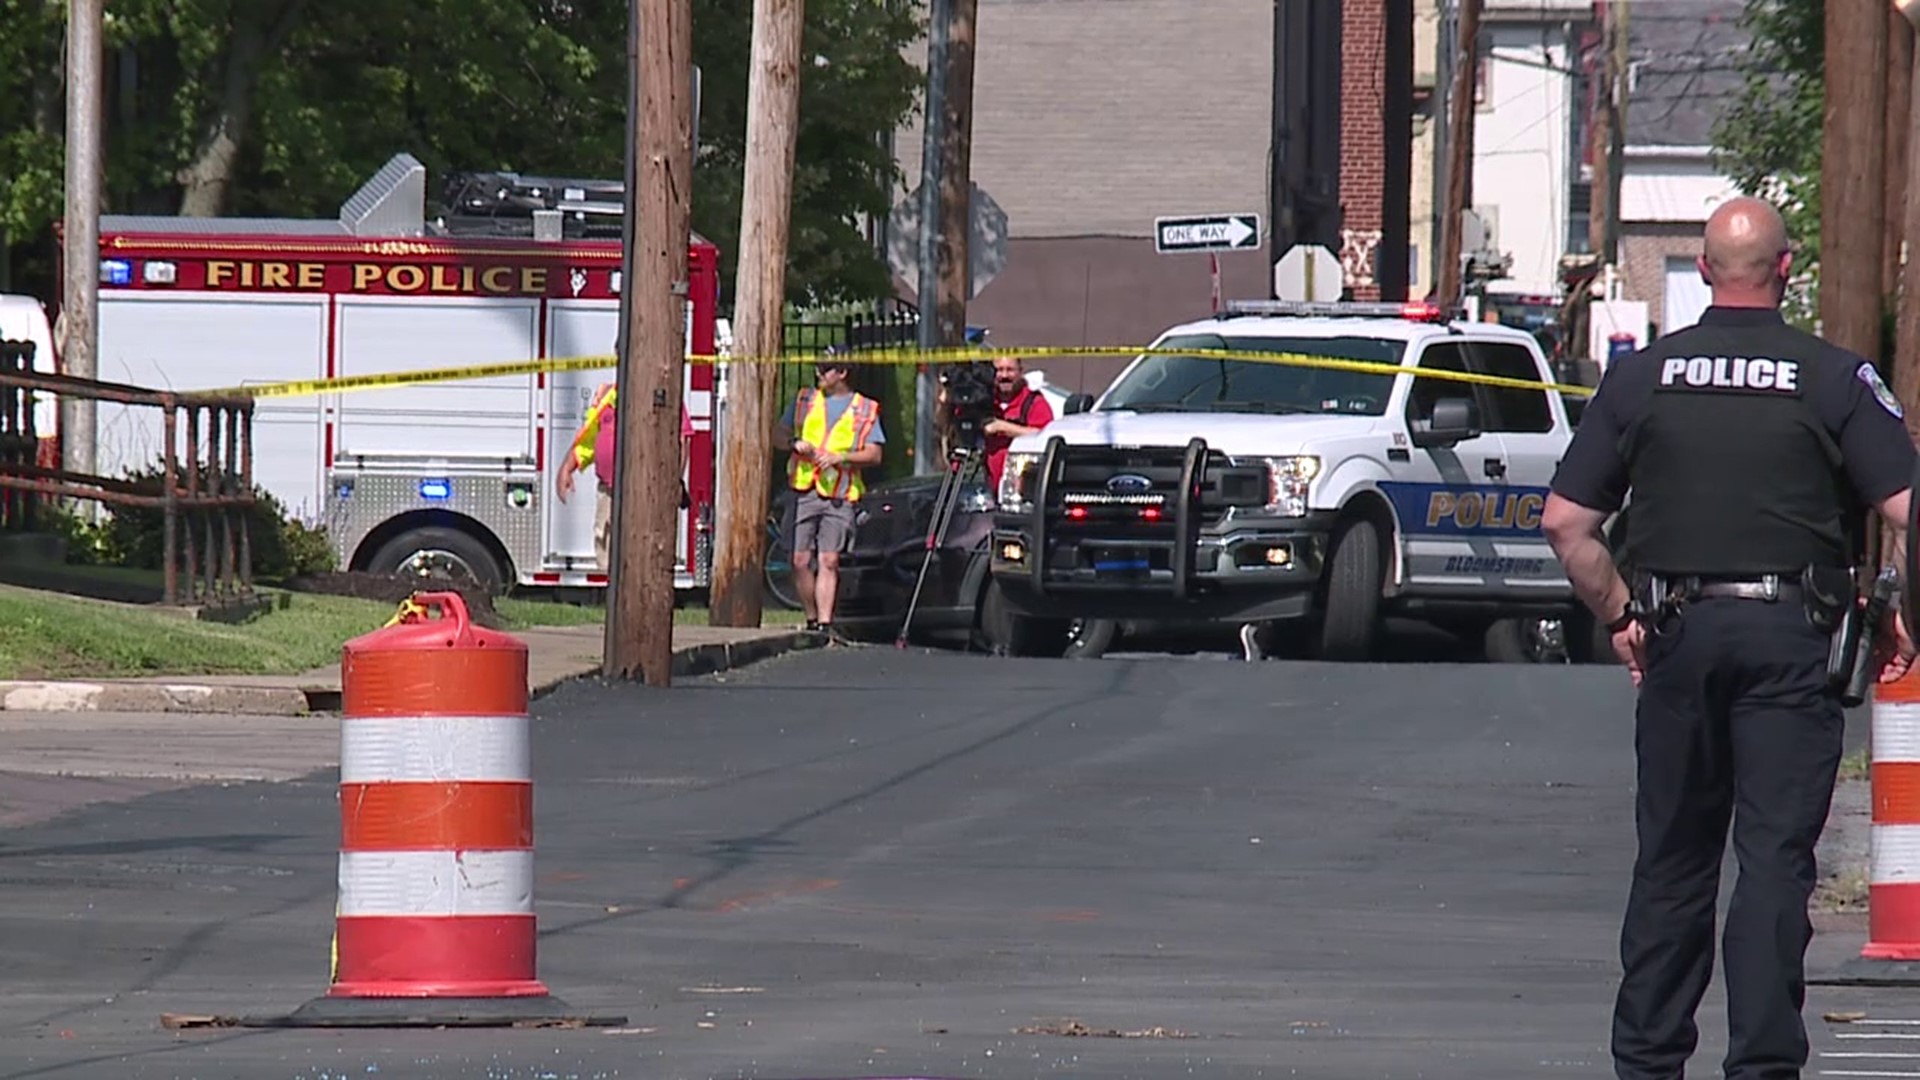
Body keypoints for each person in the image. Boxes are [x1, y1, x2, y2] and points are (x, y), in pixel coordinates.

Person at [1540, 195, 1918, 1080]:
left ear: (1704, 271)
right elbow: (1906, 506)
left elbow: (1567, 523)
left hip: (1676, 633)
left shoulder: (1641, 379)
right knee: (1774, 864)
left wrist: (1625, 619)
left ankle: (1647, 1060)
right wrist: (1900, 609)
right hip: (1794, 639)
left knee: (1674, 859)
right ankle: (1761, 1065)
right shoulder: (1831, 378)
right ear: (1786, 270)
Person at [774, 352, 885, 643]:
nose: (818, 373)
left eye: (825, 368)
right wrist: (794, 443)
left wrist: (841, 457)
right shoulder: (804, 400)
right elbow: (777, 434)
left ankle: (825, 624)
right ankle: (811, 617)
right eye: (818, 367)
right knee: (799, 560)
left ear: (843, 372)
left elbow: (874, 454)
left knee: (829, 559)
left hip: (840, 493)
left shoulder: (864, 408)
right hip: (803, 489)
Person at [555, 378, 694, 572]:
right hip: (608, 490)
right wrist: (567, 468)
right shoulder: (608, 395)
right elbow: (590, 440)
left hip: (647, 491)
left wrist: (673, 482)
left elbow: (682, 439)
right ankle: (607, 592)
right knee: (605, 541)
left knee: (644, 544)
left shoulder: (665, 394)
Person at [981, 354, 1055, 494]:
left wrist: (1002, 427)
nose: (1004, 375)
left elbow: (1045, 435)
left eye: (1010, 370)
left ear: (1020, 372)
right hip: (984, 486)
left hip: (1019, 487)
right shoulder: (983, 400)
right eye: (999, 370)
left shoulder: (1034, 401)